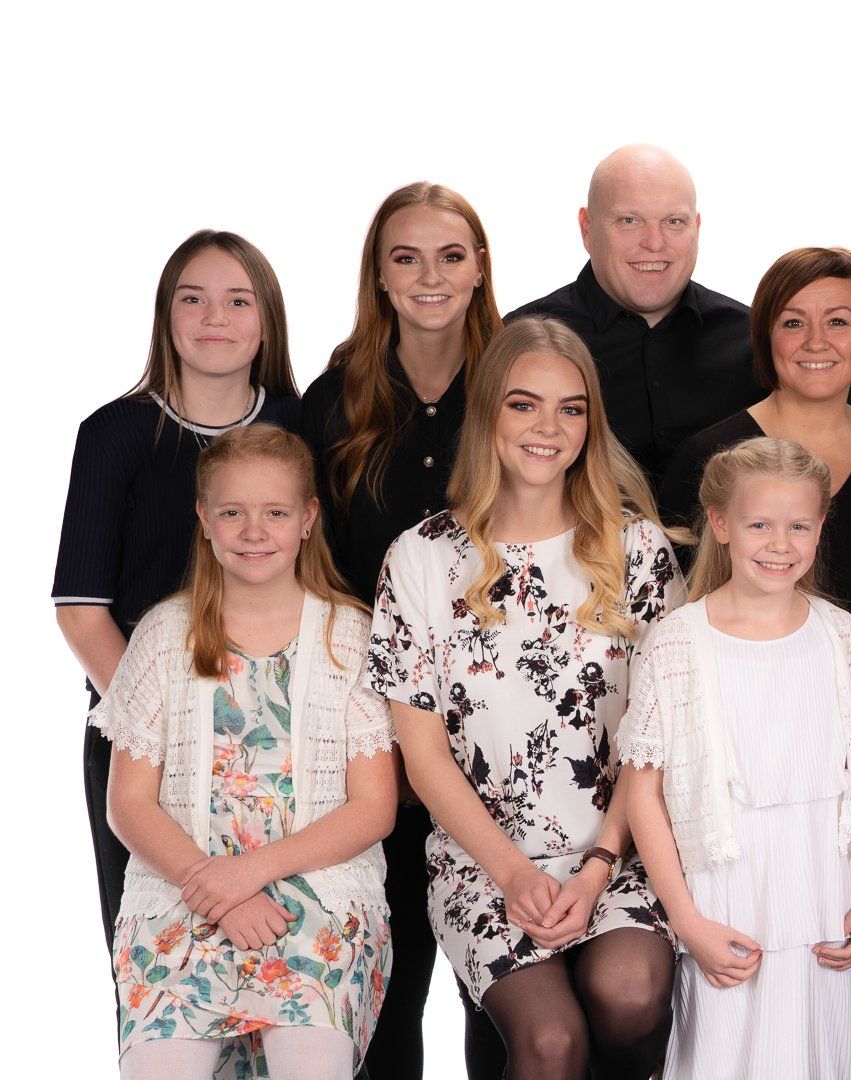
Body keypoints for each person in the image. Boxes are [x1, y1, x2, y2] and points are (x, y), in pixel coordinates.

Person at [365, 317, 683, 1076]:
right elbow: (423, 757)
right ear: (487, 414)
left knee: (631, 994)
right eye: (523, 404)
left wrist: (598, 866)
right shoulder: (422, 557)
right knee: (550, 1041)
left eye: (571, 409)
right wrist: (512, 873)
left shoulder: (637, 550)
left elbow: (658, 739)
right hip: (482, 860)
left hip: (621, 849)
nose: (548, 428)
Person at [93, 426, 396, 1079]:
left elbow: (374, 808)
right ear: (204, 519)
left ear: (308, 519)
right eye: (233, 512)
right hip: (183, 897)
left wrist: (250, 874)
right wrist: (222, 892)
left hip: (318, 901)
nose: (254, 530)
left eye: (275, 513)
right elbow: (128, 804)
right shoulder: (163, 635)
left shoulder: (350, 637)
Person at [297, 180, 504, 1080]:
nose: (430, 276)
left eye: (450, 256)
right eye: (406, 258)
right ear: (378, 274)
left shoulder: (515, 388)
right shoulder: (332, 401)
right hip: (367, 730)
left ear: (480, 267)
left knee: (502, 992)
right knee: (385, 991)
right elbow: (309, 568)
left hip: (498, 731)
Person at [55, 230, 301, 958]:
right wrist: (165, 730)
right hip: (145, 746)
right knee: (157, 965)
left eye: (238, 301)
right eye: (193, 299)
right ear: (166, 316)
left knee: (286, 967)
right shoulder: (114, 435)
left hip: (282, 744)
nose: (215, 317)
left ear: (268, 320)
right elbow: (81, 611)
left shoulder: (302, 427)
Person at [622, 437, 851, 1079]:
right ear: (721, 524)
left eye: (799, 526)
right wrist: (688, 923)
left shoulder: (840, 635)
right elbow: (642, 793)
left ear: (821, 525)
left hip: (820, 899)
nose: (779, 544)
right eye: (759, 524)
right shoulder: (677, 642)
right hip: (726, 907)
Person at [659, 247, 851, 627]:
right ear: (765, 336)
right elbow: (668, 605)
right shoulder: (706, 456)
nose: (816, 341)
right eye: (793, 323)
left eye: (837, 321)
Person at [509, 144, 757, 478]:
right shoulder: (518, 342)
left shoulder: (754, 338)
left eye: (673, 221)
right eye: (629, 220)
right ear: (586, 228)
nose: (654, 242)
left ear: (696, 228)